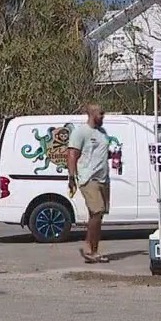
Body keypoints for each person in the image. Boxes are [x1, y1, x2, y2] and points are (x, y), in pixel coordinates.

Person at [67, 103, 112, 264]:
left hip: (103, 178)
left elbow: (101, 152)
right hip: (88, 178)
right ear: (92, 114)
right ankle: (90, 249)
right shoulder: (81, 132)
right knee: (97, 210)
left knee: (98, 215)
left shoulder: (102, 132)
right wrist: (71, 177)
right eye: (100, 113)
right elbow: (72, 154)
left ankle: (92, 248)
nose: (103, 116)